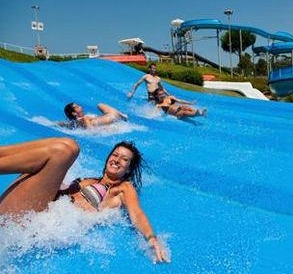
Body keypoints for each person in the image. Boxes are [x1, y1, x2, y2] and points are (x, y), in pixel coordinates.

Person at [0, 137, 170, 263]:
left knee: (67, 149)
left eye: (124, 159)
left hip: (25, 221)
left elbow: (137, 214)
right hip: (26, 210)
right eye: (115, 154)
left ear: (128, 169)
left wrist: (151, 238)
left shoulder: (122, 189)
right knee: (65, 146)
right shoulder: (90, 179)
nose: (117, 159)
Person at [58, 102, 128, 129]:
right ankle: (121, 115)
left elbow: (66, 124)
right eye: (77, 107)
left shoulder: (77, 122)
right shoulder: (85, 118)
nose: (81, 107)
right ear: (74, 113)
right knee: (99, 105)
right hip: (113, 116)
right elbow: (91, 130)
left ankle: (121, 115)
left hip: (111, 118)